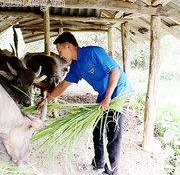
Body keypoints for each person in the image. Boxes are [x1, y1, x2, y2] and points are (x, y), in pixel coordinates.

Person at [37, 32, 133, 175]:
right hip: (104, 96)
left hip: (119, 94)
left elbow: (115, 71)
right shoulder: (75, 66)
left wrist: (107, 97)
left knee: (113, 134)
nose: (60, 55)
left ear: (68, 46)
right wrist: (47, 99)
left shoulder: (93, 52)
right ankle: (98, 164)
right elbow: (63, 86)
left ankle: (111, 171)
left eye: (60, 51)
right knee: (98, 130)